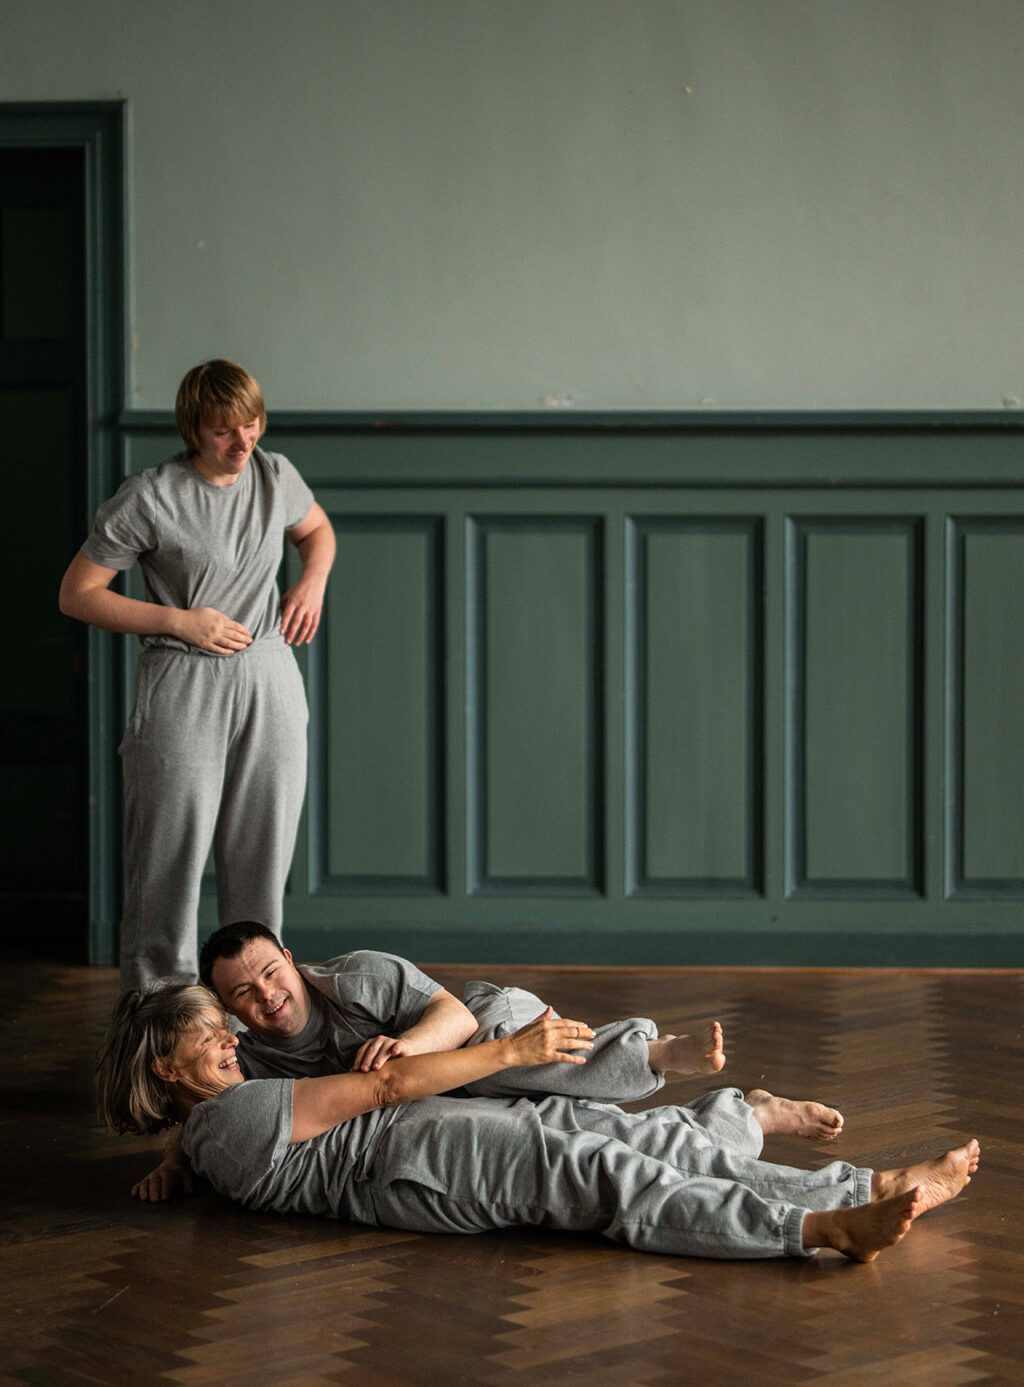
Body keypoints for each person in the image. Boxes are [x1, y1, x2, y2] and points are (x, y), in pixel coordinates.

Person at [97, 981, 981, 1265]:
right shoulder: (233, 1118)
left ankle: (866, 1185)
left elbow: (215, 1133)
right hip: (412, 1158)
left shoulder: (216, 1123)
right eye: (208, 1034)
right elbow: (384, 1090)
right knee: (611, 1178)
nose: (232, 1037)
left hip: (424, 1131)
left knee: (632, 1139)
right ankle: (820, 1228)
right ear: (166, 1068)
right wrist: (507, 1054)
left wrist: (176, 1158)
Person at [59, 361, 336, 989]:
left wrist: (312, 580)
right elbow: (77, 594)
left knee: (263, 852)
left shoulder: (274, 474)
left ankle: (256, 1008)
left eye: (252, 424)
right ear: (193, 429)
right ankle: (159, 1012)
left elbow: (316, 529)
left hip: (270, 674)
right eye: (223, 431)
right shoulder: (150, 496)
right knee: (168, 855)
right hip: (183, 680)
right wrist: (180, 621)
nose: (243, 443)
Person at [135, 920, 734, 1199]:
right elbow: (212, 1109)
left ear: (291, 960)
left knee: (501, 1061)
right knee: (546, 1124)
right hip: (438, 1094)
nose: (268, 995)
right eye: (245, 992)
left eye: (272, 973)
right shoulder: (243, 1056)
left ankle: (658, 1052)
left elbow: (458, 1018)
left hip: (480, 1024)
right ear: (226, 1005)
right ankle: (726, 1124)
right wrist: (175, 1162)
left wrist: (410, 1048)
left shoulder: (358, 976)